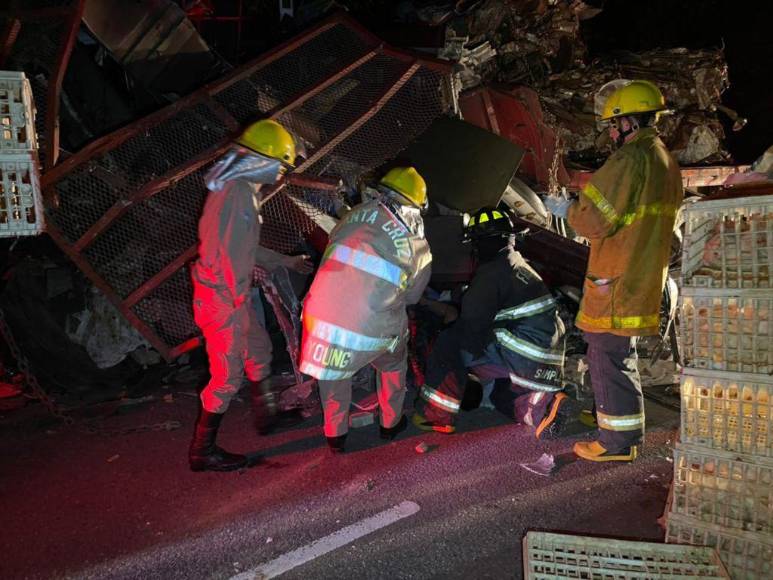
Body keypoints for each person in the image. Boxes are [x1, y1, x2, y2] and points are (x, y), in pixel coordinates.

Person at [543, 80, 683, 462]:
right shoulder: (664, 160)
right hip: (641, 274)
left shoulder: (629, 159)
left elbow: (595, 220)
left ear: (630, 122)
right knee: (619, 353)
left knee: (606, 353)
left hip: (618, 276)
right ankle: (614, 417)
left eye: (613, 124)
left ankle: (617, 442)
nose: (610, 132)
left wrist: (567, 210)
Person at [189, 119, 313, 472]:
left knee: (258, 350)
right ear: (263, 161)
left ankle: (267, 417)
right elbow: (230, 253)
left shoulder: (240, 188)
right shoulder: (238, 194)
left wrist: (285, 262)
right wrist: (242, 282)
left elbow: (244, 246)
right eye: (282, 165)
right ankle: (202, 452)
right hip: (223, 299)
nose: (282, 173)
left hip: (229, 294)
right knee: (226, 377)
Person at [299, 167, 432, 453]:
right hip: (370, 326)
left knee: (334, 372)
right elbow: (412, 298)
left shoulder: (351, 217)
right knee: (393, 365)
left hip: (319, 316)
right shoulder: (417, 246)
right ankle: (390, 424)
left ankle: (335, 436)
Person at [413, 207, 567, 438]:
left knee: (449, 343)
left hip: (522, 351)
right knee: (499, 396)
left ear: (480, 244)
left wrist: (455, 353)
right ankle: (543, 411)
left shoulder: (490, 274)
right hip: (543, 354)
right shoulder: (516, 265)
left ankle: (436, 416)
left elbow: (471, 328)